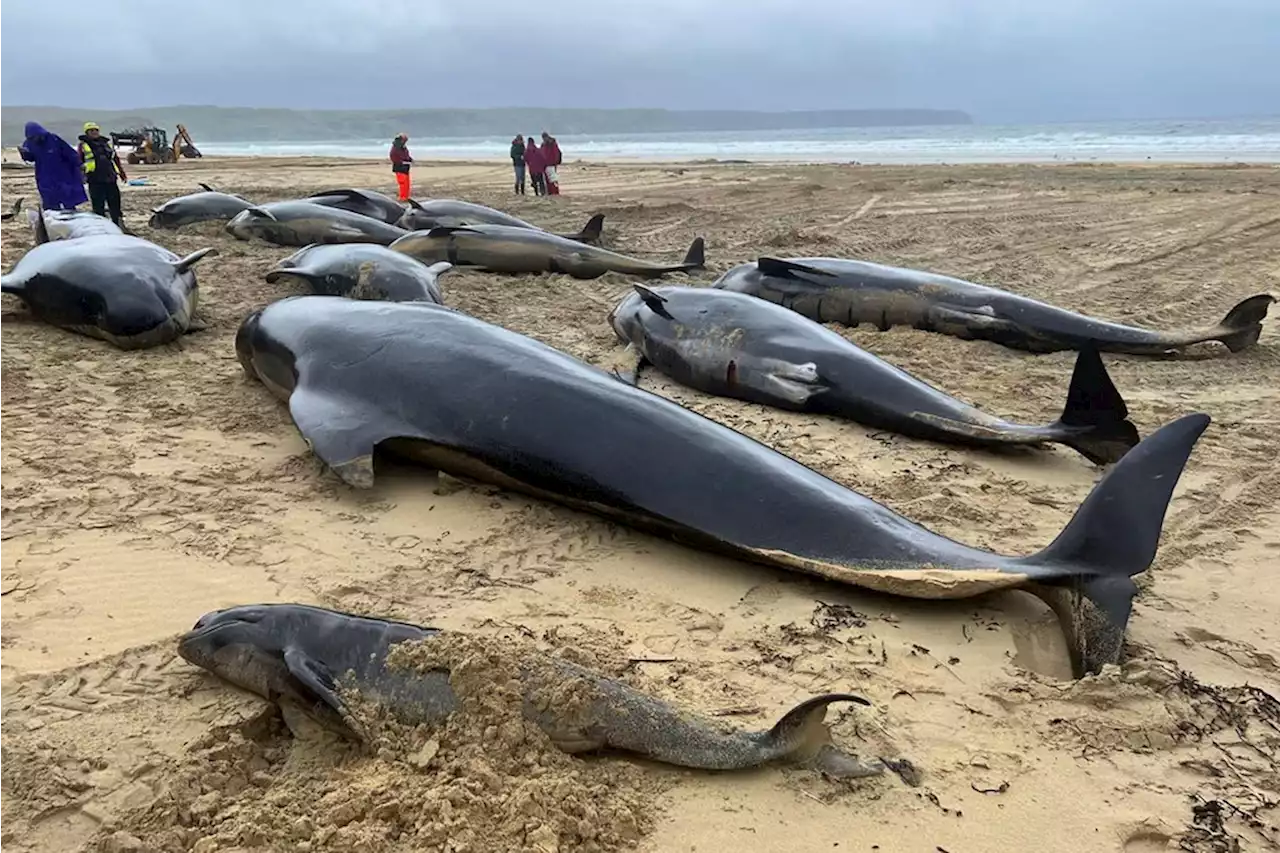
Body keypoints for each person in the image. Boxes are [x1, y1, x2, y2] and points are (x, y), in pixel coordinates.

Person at [18, 121, 89, 212]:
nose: (35, 139)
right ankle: (51, 215)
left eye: (35, 136)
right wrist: (24, 154)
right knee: (49, 196)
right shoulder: (29, 143)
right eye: (32, 138)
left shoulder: (54, 139)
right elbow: (31, 158)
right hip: (44, 174)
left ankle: (70, 213)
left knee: (67, 195)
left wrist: (79, 164)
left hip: (62, 172)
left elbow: (69, 153)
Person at [78, 122, 127, 225]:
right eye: (92, 131)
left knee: (115, 203)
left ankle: (118, 223)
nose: (94, 132)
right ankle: (101, 226)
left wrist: (122, 172)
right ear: (87, 133)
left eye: (96, 130)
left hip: (110, 178)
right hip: (95, 180)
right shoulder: (83, 145)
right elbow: (78, 162)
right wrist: (80, 176)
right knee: (98, 206)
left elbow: (115, 159)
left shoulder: (106, 144)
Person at [390, 133, 413, 201]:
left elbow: (406, 155)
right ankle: (402, 197)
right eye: (404, 140)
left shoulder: (403, 147)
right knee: (403, 183)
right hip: (399, 167)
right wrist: (401, 162)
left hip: (405, 167)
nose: (405, 142)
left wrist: (410, 159)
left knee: (407, 183)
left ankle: (406, 196)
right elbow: (393, 157)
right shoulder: (395, 147)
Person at [541, 131, 563, 196]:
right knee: (548, 179)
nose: (544, 139)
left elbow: (557, 153)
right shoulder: (544, 144)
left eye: (545, 137)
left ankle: (555, 192)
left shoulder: (552, 144)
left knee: (553, 179)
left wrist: (555, 162)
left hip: (551, 164)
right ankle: (550, 192)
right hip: (545, 164)